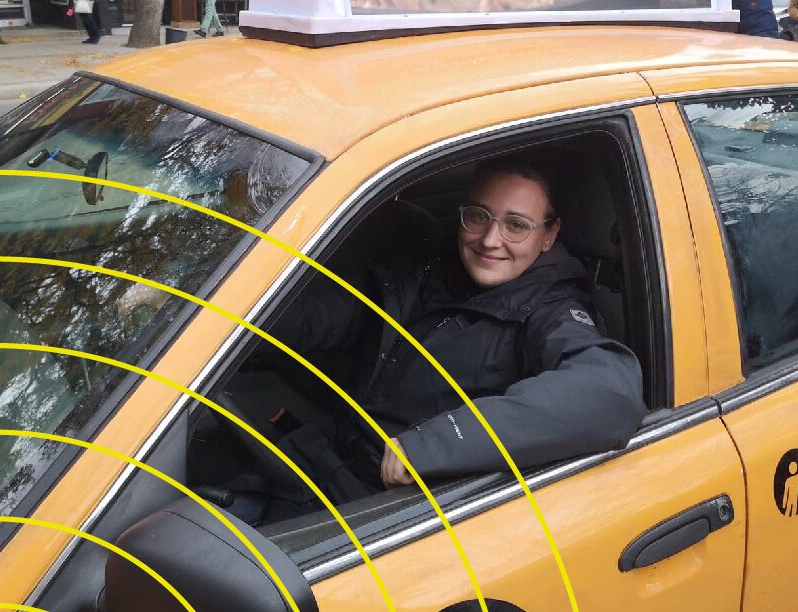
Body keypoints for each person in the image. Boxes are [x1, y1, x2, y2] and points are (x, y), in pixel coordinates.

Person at [261, 156, 646, 509]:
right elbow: (335, 314)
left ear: (548, 235)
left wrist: (438, 443)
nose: (490, 240)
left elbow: (610, 393)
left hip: (379, 509)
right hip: (317, 461)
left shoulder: (553, 310)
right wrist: (244, 310)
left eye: (517, 225)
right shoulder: (432, 267)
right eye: (479, 216)